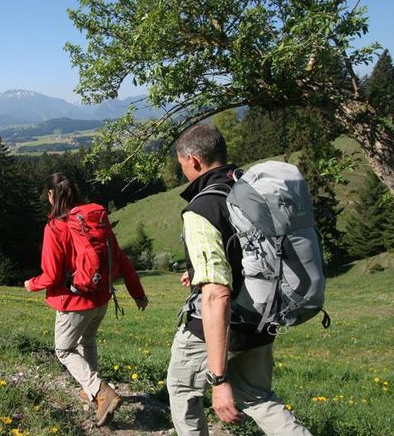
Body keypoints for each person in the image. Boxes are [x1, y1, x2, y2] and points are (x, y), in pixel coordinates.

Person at [166, 124, 312, 436]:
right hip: (263, 315)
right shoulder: (248, 191)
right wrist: (197, 273)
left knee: (182, 391)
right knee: (259, 399)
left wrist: (218, 380)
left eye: (182, 165)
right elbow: (247, 252)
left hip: (216, 329)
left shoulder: (202, 207)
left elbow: (216, 296)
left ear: (193, 161)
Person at [24, 173, 149, 427]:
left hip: (74, 302)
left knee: (64, 349)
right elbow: (122, 259)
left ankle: (101, 391)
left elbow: (51, 275)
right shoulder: (94, 222)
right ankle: (90, 391)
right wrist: (138, 292)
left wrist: (31, 284)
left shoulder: (54, 228)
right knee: (87, 340)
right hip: (101, 298)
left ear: (51, 195)